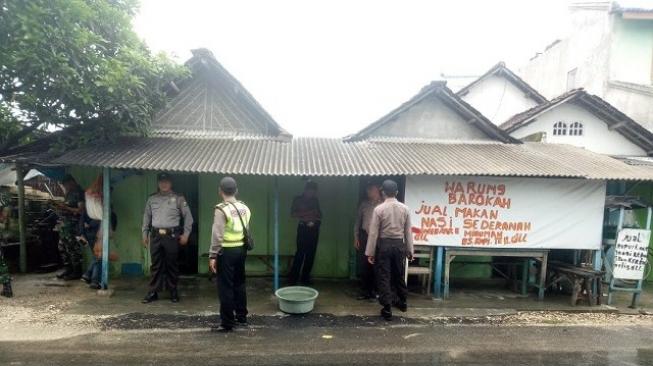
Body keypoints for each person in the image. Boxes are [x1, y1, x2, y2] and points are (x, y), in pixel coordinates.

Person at [365, 179, 414, 321]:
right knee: (398, 274)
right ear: (397, 192)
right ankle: (403, 302)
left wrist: (370, 253)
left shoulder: (378, 209)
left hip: (384, 246)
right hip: (399, 245)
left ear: (383, 193)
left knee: (384, 276)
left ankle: (387, 309)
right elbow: (408, 232)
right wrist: (410, 250)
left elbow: (373, 233)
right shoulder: (405, 209)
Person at [141, 173, 193, 304]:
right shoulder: (151, 199)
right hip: (156, 236)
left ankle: (173, 291)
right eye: (161, 181)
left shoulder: (179, 198)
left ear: (171, 183)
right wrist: (144, 234)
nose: (164, 184)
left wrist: (186, 234)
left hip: (172, 236)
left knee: (172, 264)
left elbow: (188, 218)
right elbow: (146, 218)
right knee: (156, 265)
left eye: (166, 181)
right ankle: (153, 292)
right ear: (158, 183)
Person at [209, 177, 251, 332]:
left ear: (220, 191)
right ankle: (242, 318)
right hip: (241, 250)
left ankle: (227, 322)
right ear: (236, 191)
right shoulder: (244, 207)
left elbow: (217, 234)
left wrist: (213, 255)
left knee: (225, 287)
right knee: (239, 284)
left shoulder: (221, 209)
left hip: (225, 252)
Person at [288, 181, 322, 286]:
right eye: (310, 191)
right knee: (300, 253)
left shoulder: (315, 200)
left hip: (314, 229)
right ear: (306, 190)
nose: (312, 194)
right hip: (303, 228)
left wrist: (314, 219)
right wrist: (309, 213)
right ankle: (293, 279)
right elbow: (293, 214)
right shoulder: (298, 199)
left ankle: (305, 278)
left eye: (314, 192)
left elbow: (319, 214)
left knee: (311, 255)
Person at [354, 182, 383, 300]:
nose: (368, 192)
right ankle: (365, 291)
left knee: (377, 265)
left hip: (379, 239)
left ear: (377, 190)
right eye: (367, 190)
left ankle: (376, 291)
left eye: (371, 189)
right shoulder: (364, 204)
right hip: (365, 237)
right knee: (364, 265)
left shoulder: (384, 204)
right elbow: (357, 222)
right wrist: (355, 237)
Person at [54, 174, 85, 280]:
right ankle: (68, 269)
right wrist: (59, 207)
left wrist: (66, 207)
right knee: (62, 247)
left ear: (71, 182)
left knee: (73, 248)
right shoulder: (69, 193)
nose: (65, 187)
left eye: (66, 185)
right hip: (65, 225)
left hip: (73, 225)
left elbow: (80, 210)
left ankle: (77, 272)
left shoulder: (79, 193)